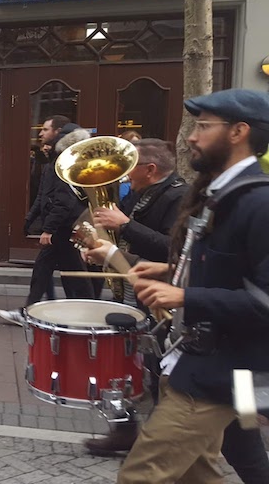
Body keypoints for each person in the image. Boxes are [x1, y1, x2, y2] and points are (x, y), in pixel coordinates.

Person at [117, 89, 269, 484]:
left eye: (204, 126)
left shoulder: (259, 203)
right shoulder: (219, 193)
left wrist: (185, 295)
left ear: (239, 131)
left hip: (222, 372)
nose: (191, 136)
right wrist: (173, 273)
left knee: (141, 475)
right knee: (201, 472)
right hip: (203, 364)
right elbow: (230, 273)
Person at [79, 138, 187, 455]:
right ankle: (125, 431)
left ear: (150, 169)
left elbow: (174, 251)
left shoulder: (178, 197)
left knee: (154, 369)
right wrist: (99, 247)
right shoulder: (142, 194)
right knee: (123, 362)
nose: (124, 174)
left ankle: (156, 442)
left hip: (161, 295)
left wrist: (125, 226)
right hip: (136, 287)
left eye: (131, 167)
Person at [0, 119, 94, 325]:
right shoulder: (55, 160)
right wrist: (31, 218)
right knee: (60, 270)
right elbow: (44, 195)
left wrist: (48, 229)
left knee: (65, 271)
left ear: (58, 134)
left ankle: (84, 311)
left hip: (64, 227)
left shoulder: (64, 163)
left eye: (45, 130)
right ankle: (75, 311)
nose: (41, 134)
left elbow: (64, 200)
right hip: (63, 226)